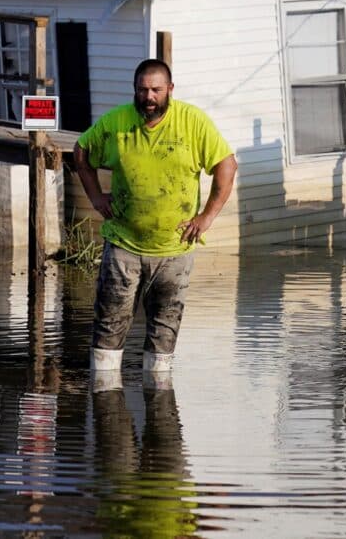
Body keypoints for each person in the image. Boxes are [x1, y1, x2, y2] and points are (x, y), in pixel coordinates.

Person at [73, 59, 236, 377]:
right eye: (142, 90)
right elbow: (81, 151)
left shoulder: (192, 122)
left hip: (175, 248)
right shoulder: (117, 122)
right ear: (134, 90)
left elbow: (226, 165)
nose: (149, 97)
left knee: (163, 338)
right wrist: (95, 196)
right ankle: (106, 403)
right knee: (108, 331)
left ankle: (159, 410)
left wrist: (206, 217)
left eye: (156, 90)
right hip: (124, 244)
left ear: (170, 90)